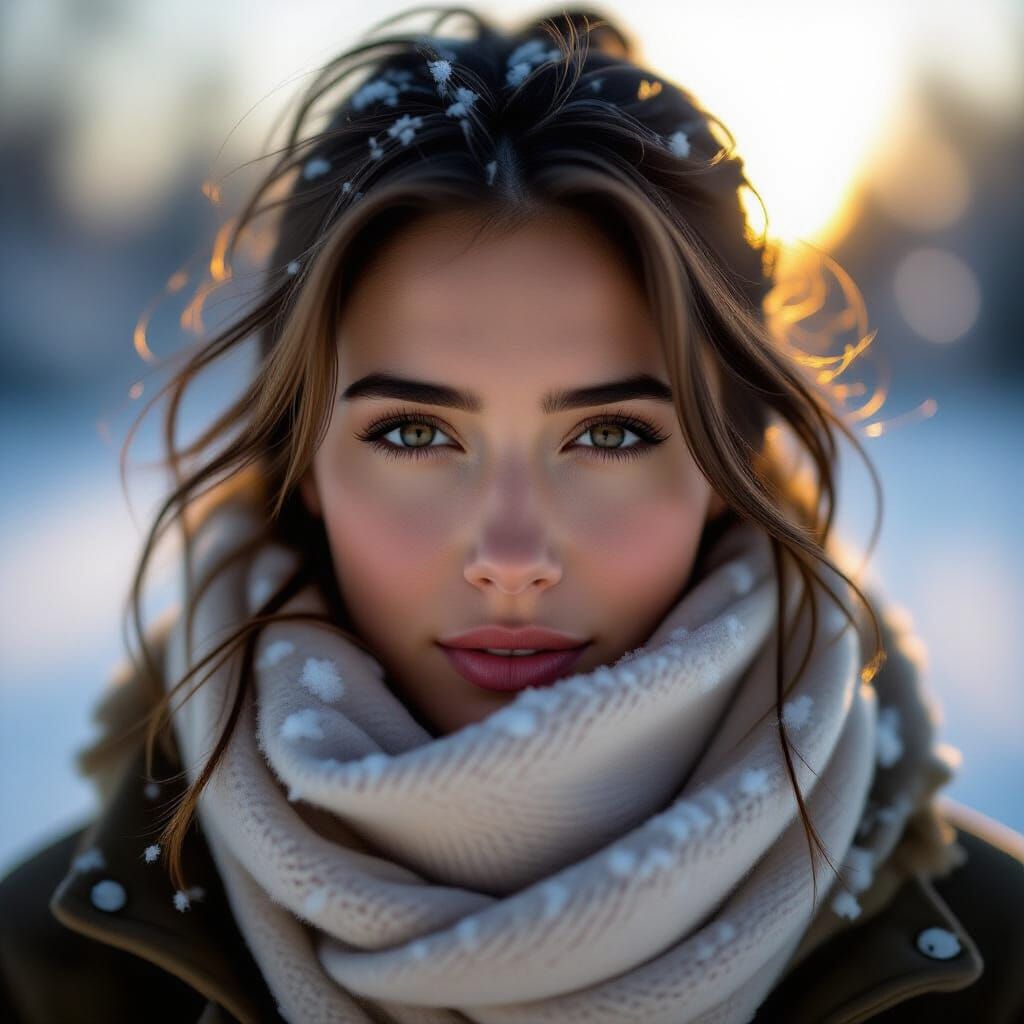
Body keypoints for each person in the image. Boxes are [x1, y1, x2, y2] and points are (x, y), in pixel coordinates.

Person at [2, 6, 1022, 1023]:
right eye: (412, 433)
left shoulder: (1003, 964)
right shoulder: (45, 976)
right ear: (304, 458)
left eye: (610, 434)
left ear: (726, 458)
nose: (511, 557)